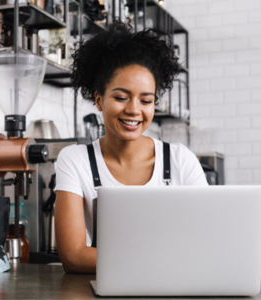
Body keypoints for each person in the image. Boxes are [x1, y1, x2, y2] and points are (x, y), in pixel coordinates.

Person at [54, 22, 208, 274]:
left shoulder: (180, 160)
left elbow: (205, 240)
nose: (134, 110)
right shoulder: (74, 160)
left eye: (146, 100)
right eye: (121, 97)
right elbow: (74, 255)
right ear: (99, 99)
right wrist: (161, 262)